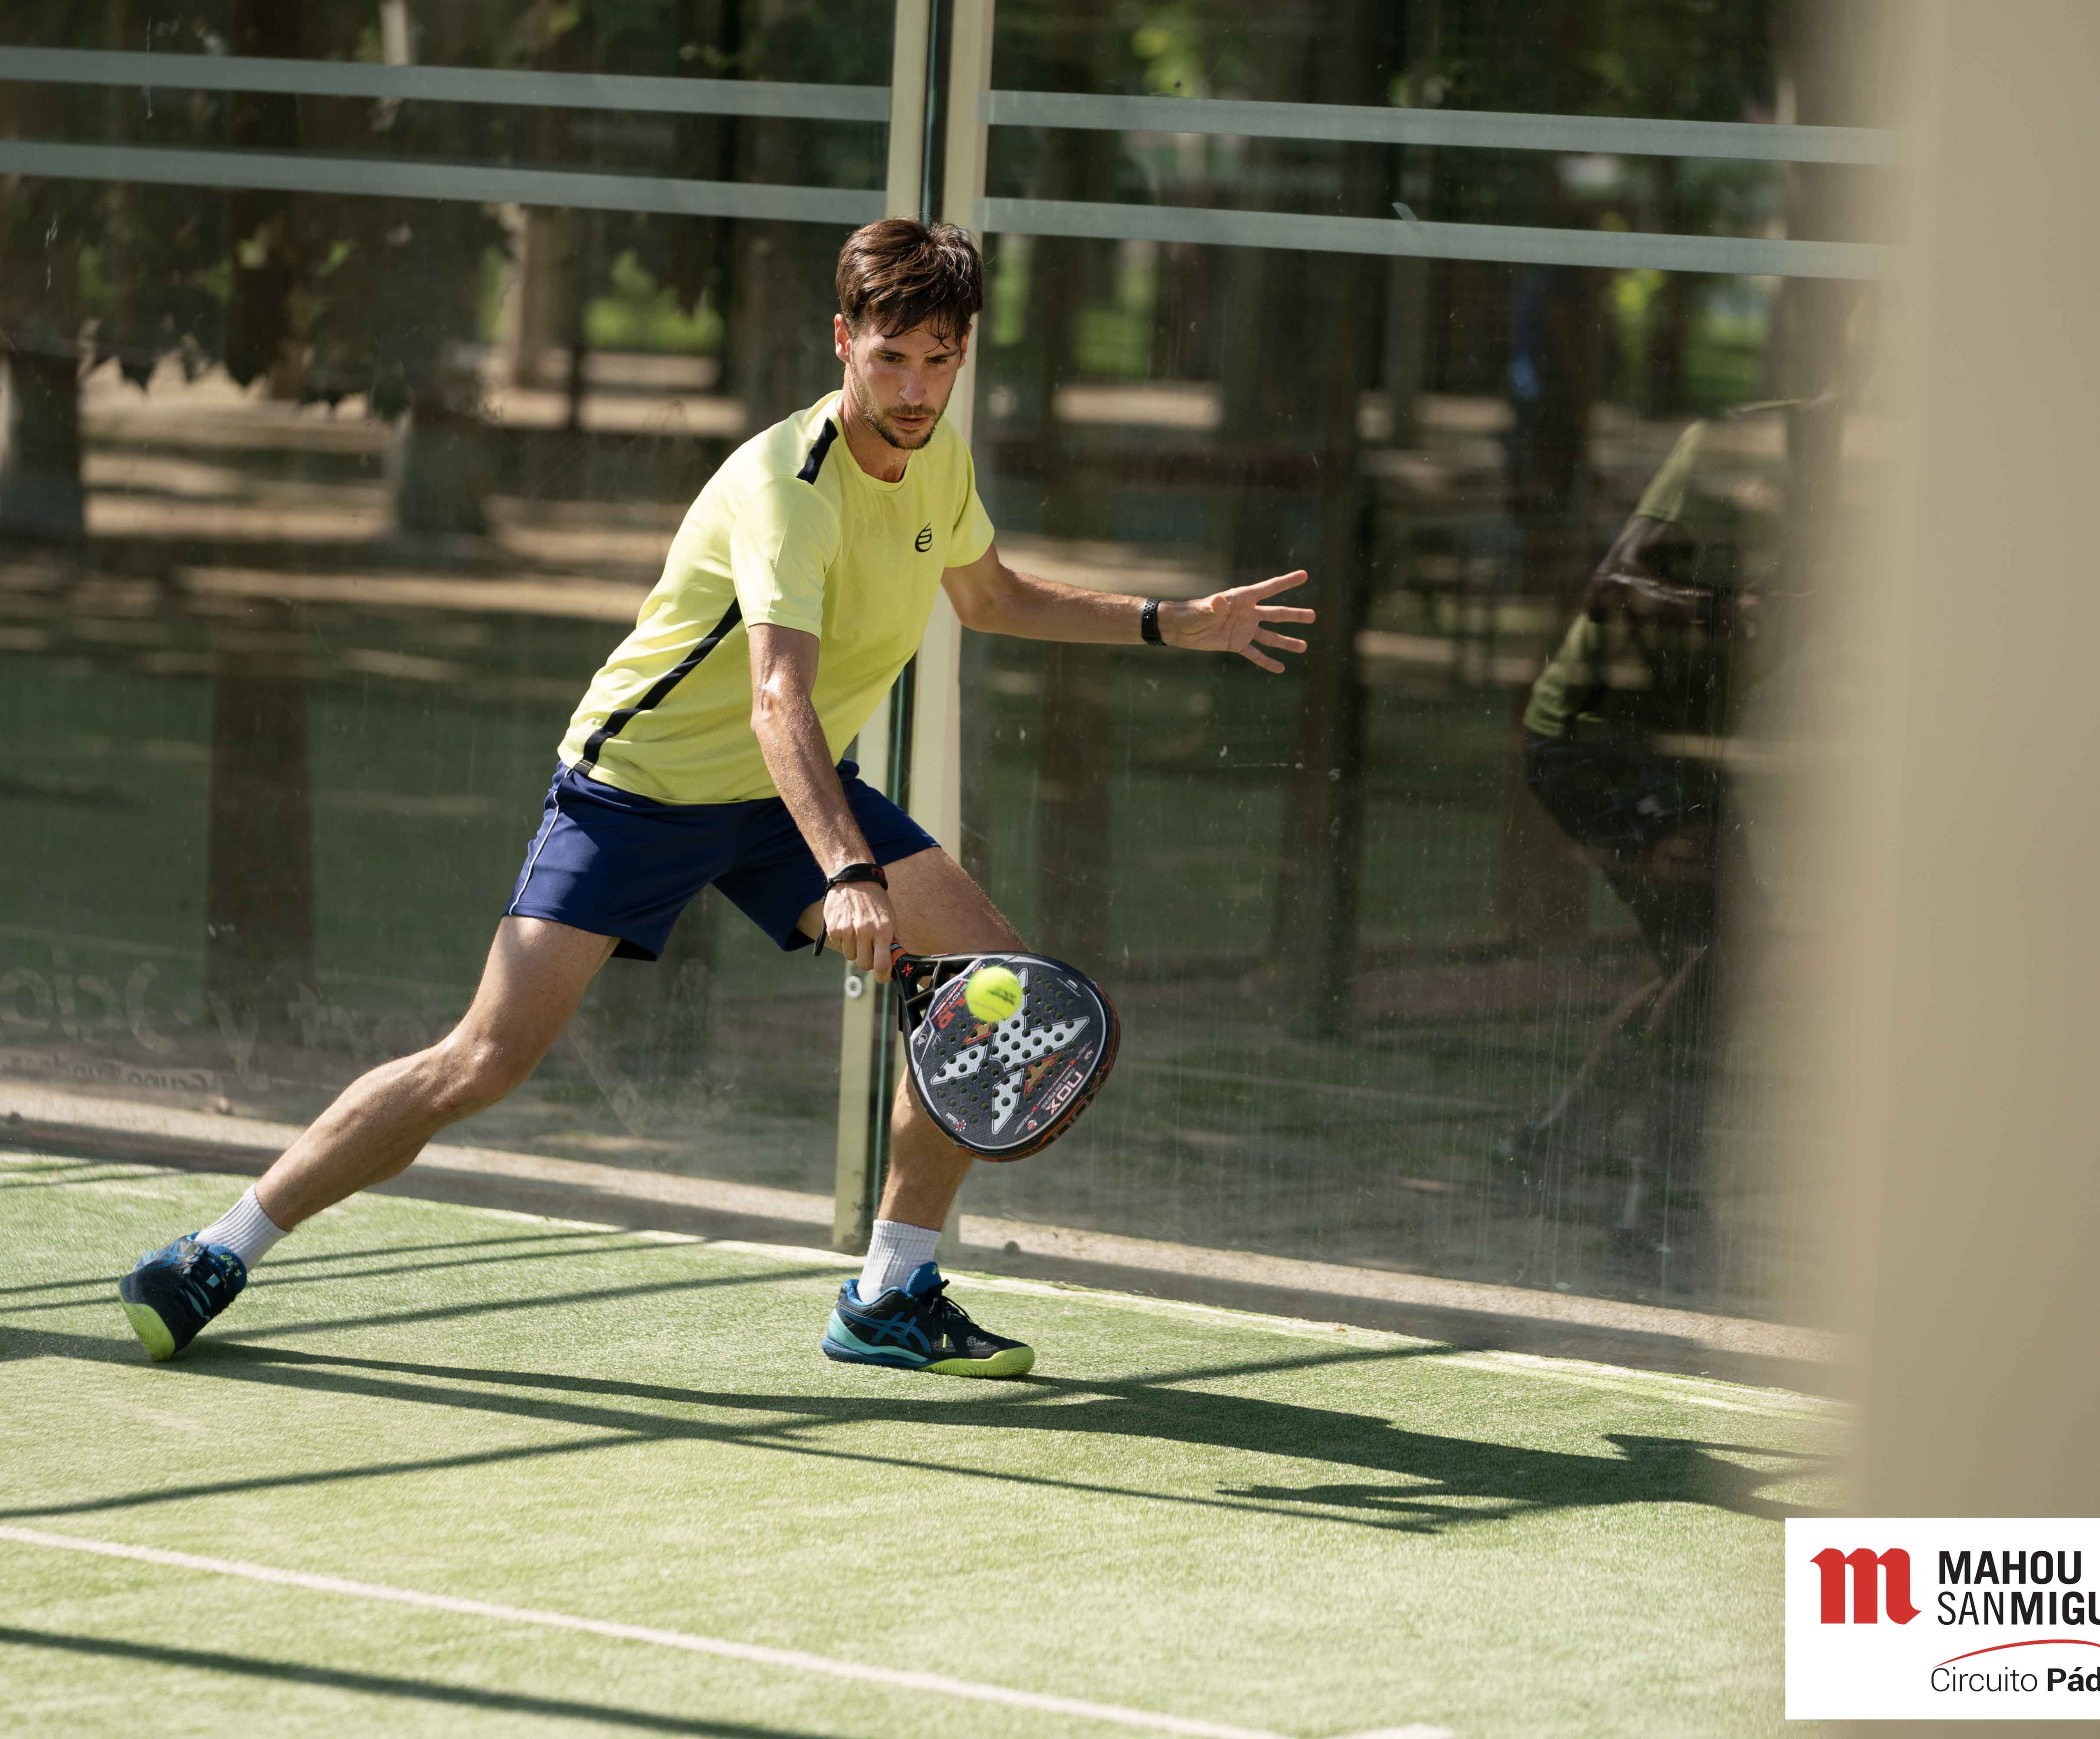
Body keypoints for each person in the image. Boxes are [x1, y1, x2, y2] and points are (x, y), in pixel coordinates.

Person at [117, 219, 1313, 1376]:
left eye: (938, 359)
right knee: (483, 1058)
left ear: (963, 353)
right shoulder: (787, 486)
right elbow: (776, 699)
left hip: (783, 794)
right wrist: (848, 870)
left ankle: (889, 1295)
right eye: (890, 356)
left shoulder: (938, 455)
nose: (913, 387)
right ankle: (218, 1250)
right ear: (841, 340)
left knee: (987, 993)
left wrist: (1172, 622)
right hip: (638, 790)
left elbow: (989, 595)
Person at [1497, 416, 1764, 1240]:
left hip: (1689, 744)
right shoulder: (1733, 442)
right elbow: (1613, 584)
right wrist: (1729, 609)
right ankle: (1659, 1198)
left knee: (1715, 963)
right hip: (1604, 740)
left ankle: (1565, 1147)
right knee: (1717, 962)